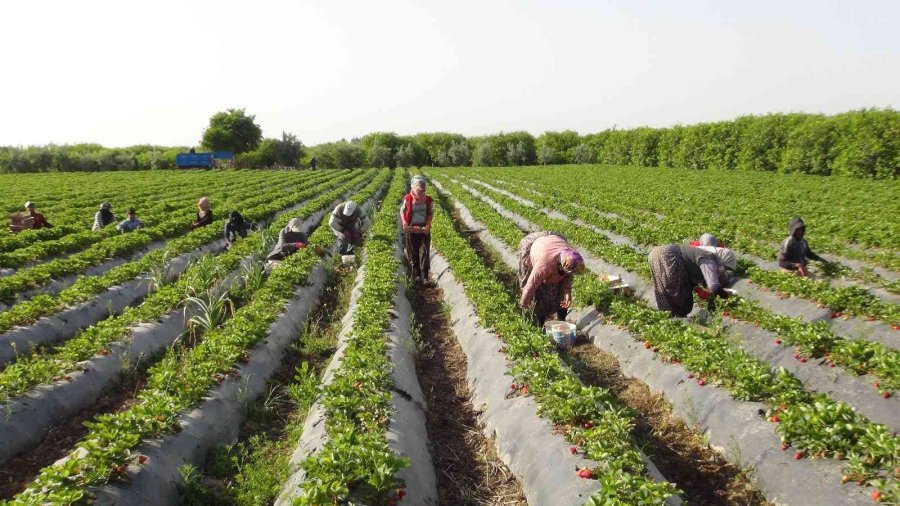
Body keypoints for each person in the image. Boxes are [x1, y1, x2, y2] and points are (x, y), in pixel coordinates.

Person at [518, 231, 586, 327]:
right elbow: (530, 285)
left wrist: (567, 293)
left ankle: (561, 322)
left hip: (554, 241)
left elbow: (567, 276)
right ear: (562, 265)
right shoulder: (545, 264)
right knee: (539, 294)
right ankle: (540, 324)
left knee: (560, 294)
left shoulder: (572, 257)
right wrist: (524, 305)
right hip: (537, 244)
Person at [648, 244, 736, 317]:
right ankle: (676, 318)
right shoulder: (708, 257)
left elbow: (690, 273)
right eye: (725, 267)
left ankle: (667, 316)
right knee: (677, 290)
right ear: (723, 260)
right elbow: (713, 286)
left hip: (655, 253)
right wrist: (726, 296)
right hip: (668, 255)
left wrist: (697, 289)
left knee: (663, 287)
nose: (723, 270)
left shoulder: (701, 253)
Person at [400, 175, 433, 284]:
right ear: (413, 187)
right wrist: (405, 223)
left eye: (423, 187)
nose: (421, 189)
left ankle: (425, 276)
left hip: (423, 228)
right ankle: (416, 274)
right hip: (412, 227)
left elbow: (429, 213)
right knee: (413, 252)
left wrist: (427, 225)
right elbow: (402, 212)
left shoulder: (427, 199)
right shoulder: (408, 199)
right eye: (419, 187)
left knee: (424, 251)